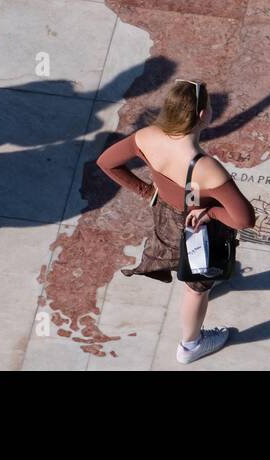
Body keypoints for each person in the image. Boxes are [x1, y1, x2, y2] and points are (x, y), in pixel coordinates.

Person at [96, 79, 256, 364]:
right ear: (203, 115)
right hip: (199, 230)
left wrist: (147, 191)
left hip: (166, 217)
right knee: (196, 287)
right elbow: (243, 219)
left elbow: (107, 162)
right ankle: (191, 345)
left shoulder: (147, 136)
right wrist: (210, 213)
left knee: (182, 261)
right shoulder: (206, 168)